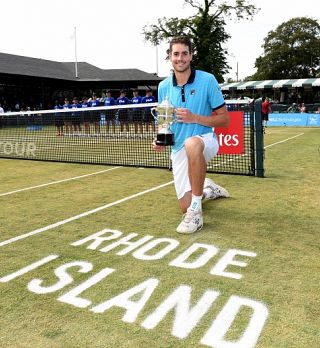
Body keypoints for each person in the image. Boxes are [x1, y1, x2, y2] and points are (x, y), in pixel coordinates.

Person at [152, 36, 230, 234]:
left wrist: (195, 117)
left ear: (191, 56)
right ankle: (207, 190)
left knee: (192, 144)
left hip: (205, 141)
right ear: (169, 57)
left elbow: (224, 120)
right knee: (183, 206)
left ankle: (196, 213)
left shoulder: (207, 80)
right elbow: (164, 120)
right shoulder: (163, 87)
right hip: (178, 147)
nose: (180, 58)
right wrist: (160, 138)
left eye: (184, 53)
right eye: (176, 54)